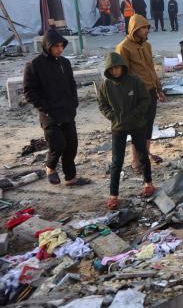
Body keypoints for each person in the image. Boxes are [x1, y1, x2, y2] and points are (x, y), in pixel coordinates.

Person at [23, 29, 91, 186]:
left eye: (61, 46)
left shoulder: (64, 63)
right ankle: (50, 167)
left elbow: (71, 84)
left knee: (72, 145)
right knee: (58, 145)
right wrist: (45, 108)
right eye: (56, 46)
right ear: (48, 46)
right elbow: (29, 92)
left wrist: (74, 103)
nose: (60, 49)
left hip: (67, 111)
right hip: (49, 114)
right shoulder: (34, 65)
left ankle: (70, 178)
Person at [98, 52, 155, 210]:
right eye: (112, 69)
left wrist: (135, 115)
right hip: (118, 127)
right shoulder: (106, 85)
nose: (115, 71)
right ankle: (113, 194)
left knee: (143, 155)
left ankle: (148, 183)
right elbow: (102, 104)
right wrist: (113, 117)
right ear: (108, 70)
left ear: (123, 67)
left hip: (137, 124)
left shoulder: (134, 81)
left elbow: (145, 100)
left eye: (117, 68)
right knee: (117, 161)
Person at [116, 15, 167, 170]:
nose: (145, 31)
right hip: (136, 95)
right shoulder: (123, 47)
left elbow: (151, 69)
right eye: (142, 28)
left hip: (150, 92)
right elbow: (121, 75)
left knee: (148, 125)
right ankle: (135, 161)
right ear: (134, 29)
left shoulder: (147, 46)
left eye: (146, 27)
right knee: (137, 127)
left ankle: (145, 154)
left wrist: (159, 89)